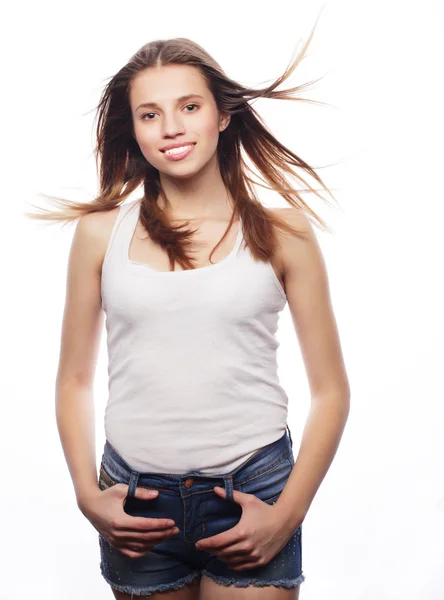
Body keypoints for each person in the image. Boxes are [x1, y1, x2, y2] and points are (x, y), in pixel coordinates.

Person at [26, 27, 350, 600]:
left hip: (253, 491)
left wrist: (286, 515)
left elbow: (331, 391)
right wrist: (85, 493)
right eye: (149, 115)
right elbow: (73, 379)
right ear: (135, 130)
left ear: (222, 116)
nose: (171, 127)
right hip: (136, 501)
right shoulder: (100, 233)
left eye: (189, 106)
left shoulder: (285, 233)